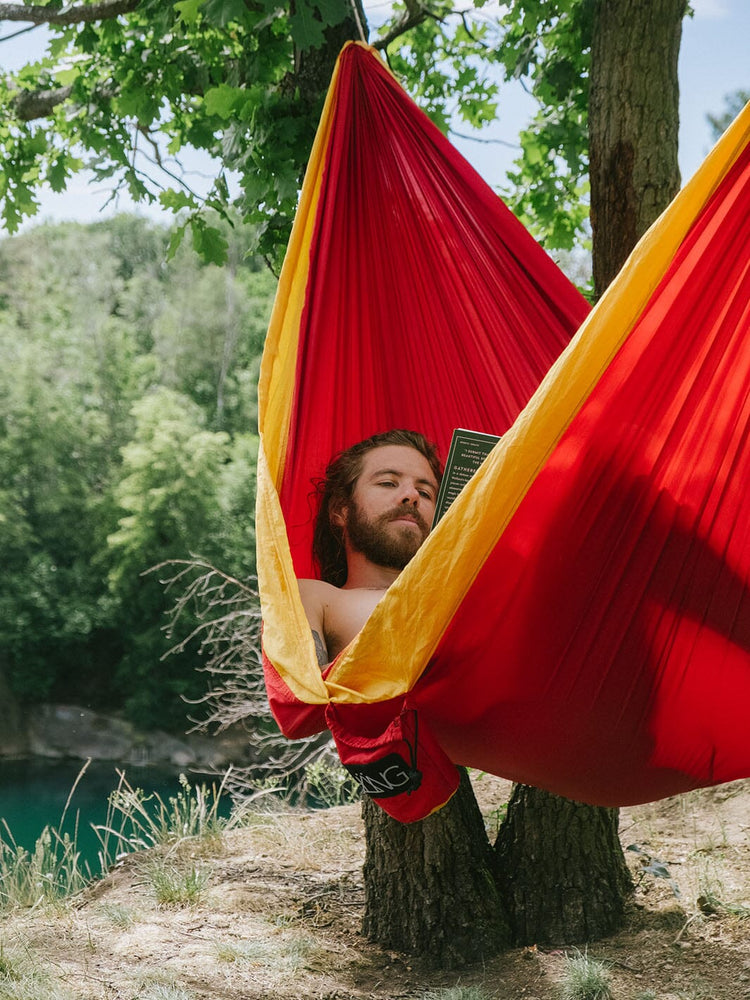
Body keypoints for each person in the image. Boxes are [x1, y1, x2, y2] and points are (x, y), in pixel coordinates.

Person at [297, 429, 442, 666]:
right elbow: (302, 692)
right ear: (341, 510)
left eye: (425, 493)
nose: (411, 496)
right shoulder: (315, 597)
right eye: (388, 483)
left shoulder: (463, 599)